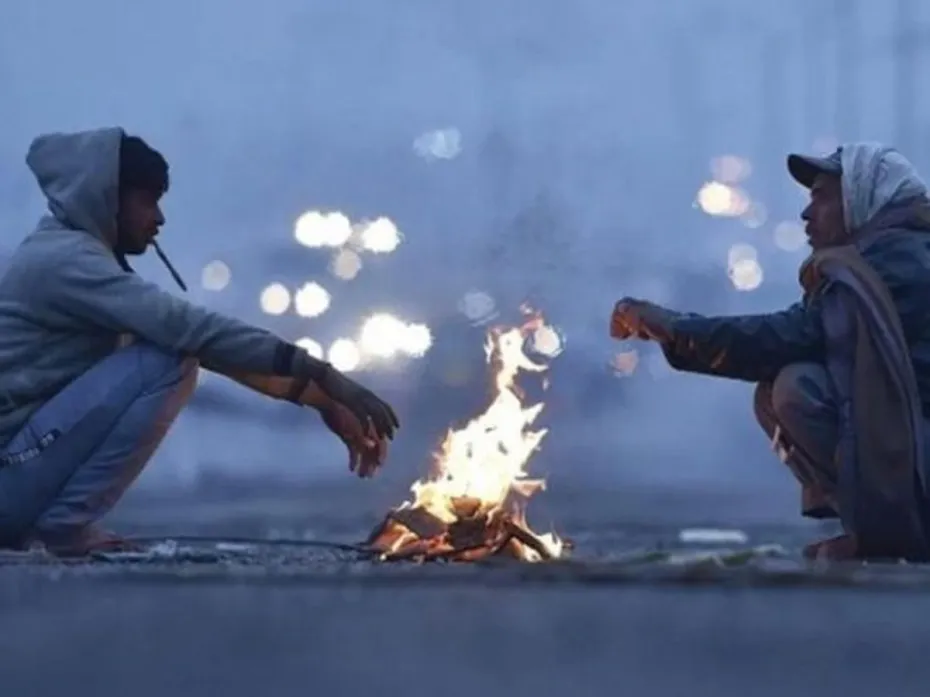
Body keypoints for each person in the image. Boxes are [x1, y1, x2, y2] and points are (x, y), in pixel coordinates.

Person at [0, 127, 400, 556]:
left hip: (18, 476)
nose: (159, 218)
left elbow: (213, 350)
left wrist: (321, 399)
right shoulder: (67, 261)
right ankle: (61, 527)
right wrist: (324, 374)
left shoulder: (72, 254)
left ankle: (55, 524)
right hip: (10, 479)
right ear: (107, 198)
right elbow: (194, 332)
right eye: (147, 201)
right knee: (168, 362)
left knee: (175, 353)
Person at [611, 143, 930, 562]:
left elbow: (792, 335)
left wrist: (674, 328)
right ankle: (879, 529)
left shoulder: (898, 262)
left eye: (821, 197)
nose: (807, 213)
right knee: (783, 386)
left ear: (863, 197)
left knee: (796, 387)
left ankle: (889, 535)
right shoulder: (886, 254)